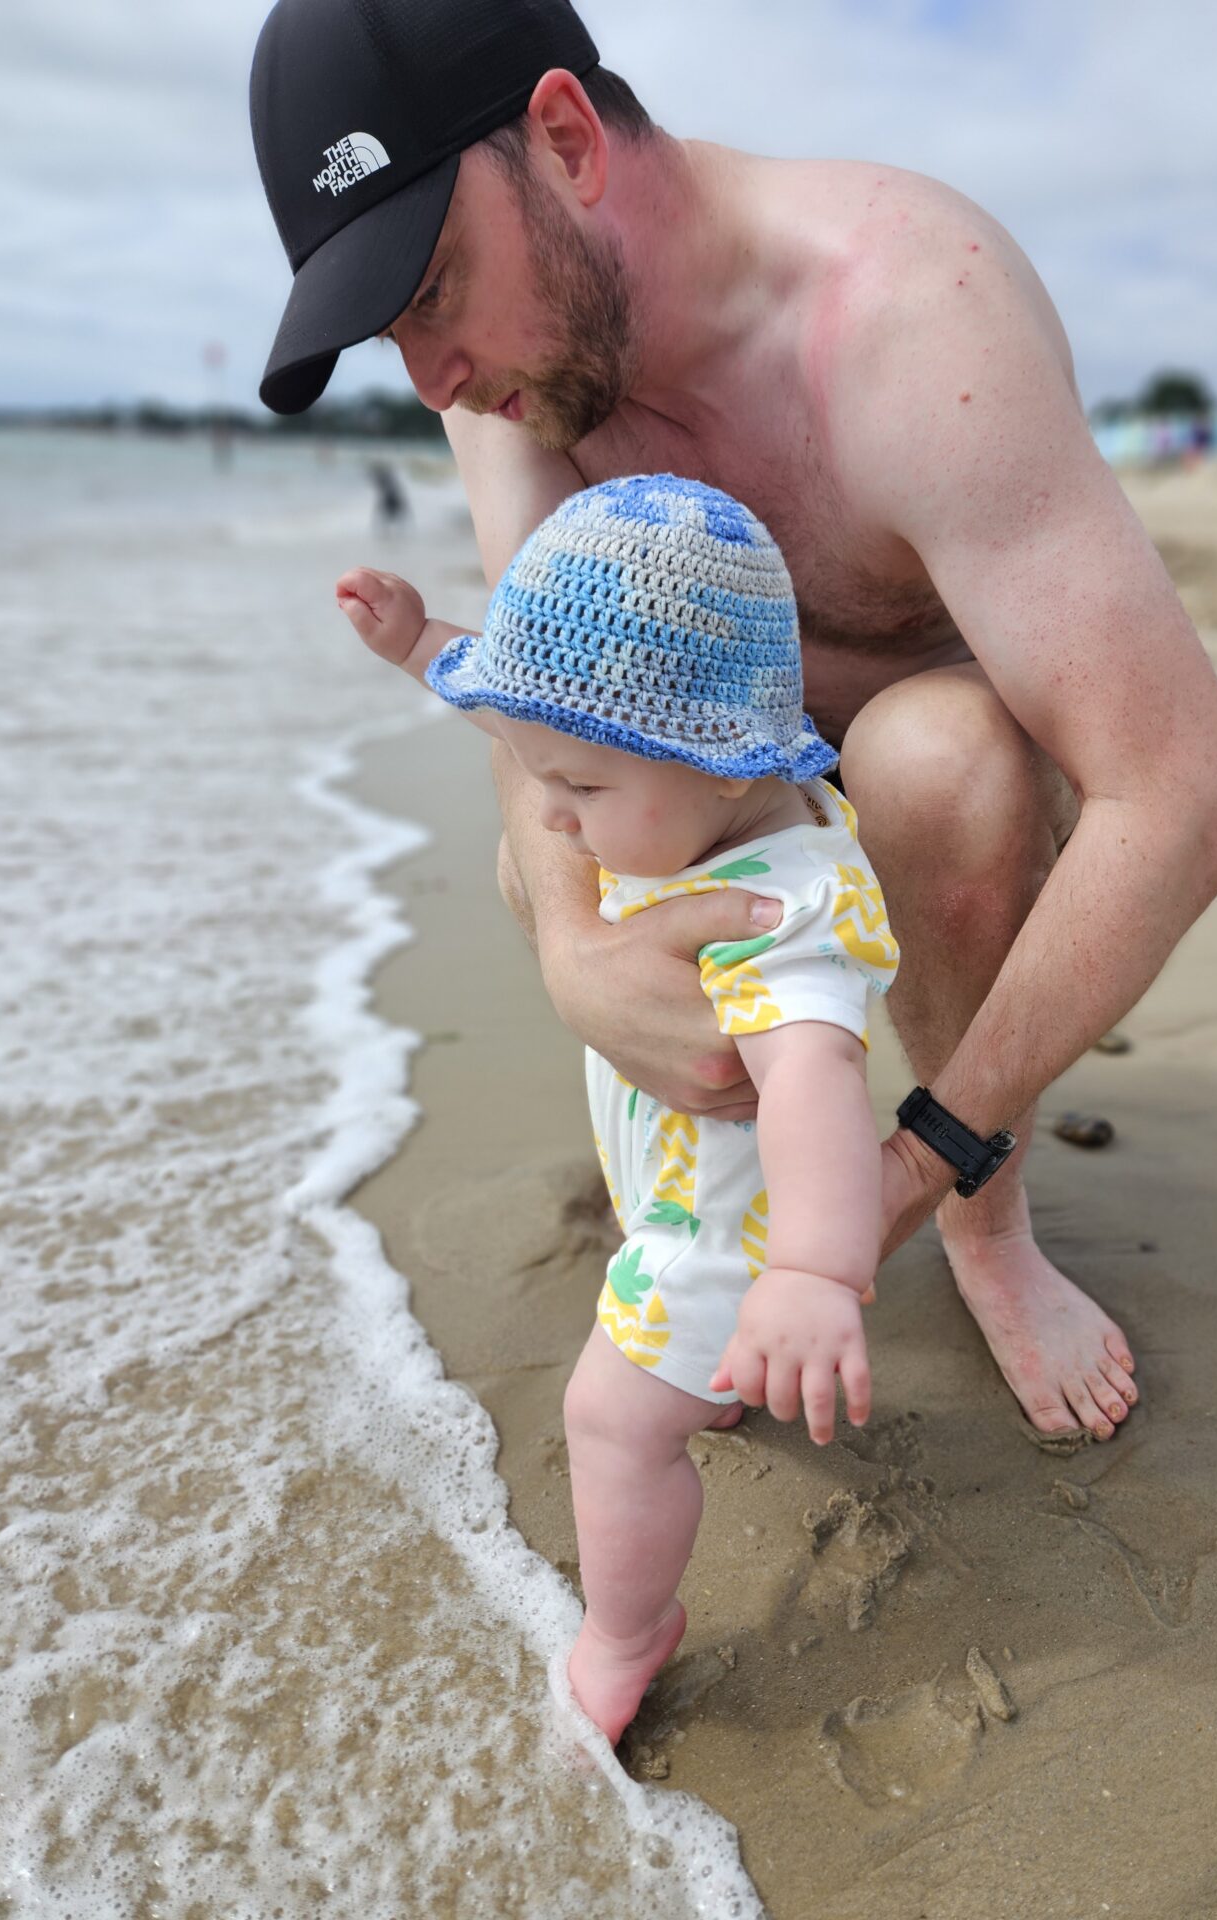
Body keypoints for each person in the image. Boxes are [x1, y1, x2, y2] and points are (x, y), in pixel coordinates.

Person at [251, 0, 1217, 1445]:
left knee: (936, 763)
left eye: (430, 290)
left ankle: (992, 1235)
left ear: (564, 138)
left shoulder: (909, 314)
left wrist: (913, 1181)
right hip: (717, 816)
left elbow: (1184, 795)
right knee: (580, 820)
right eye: (389, 332)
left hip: (938, 799)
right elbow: (542, 716)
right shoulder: (515, 380)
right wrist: (575, 952)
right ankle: (696, 1210)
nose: (432, 381)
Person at [337, 474, 899, 1742]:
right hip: (696, 1183)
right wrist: (419, 643)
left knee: (610, 1417)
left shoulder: (781, 914)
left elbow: (812, 1078)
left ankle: (628, 1629)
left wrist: (812, 1273)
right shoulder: (681, 799)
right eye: (542, 772)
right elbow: (529, 719)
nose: (546, 811)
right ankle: (731, 1375)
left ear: (710, 764)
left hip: (722, 1233)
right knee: (670, 1384)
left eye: (578, 790)